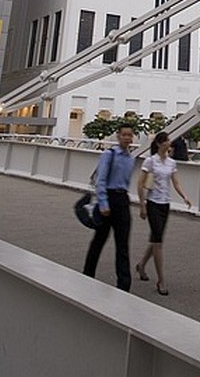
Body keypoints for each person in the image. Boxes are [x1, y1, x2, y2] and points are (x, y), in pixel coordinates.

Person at [136, 131, 191, 295]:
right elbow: (140, 184)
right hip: (153, 203)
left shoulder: (171, 163)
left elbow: (176, 182)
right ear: (160, 144)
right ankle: (161, 280)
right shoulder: (150, 162)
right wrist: (142, 205)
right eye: (166, 140)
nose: (169, 142)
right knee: (158, 241)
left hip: (165, 204)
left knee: (155, 238)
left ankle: (141, 265)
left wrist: (184, 197)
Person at [83, 124, 135, 292]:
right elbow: (101, 180)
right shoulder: (109, 155)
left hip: (122, 199)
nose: (127, 138)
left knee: (123, 244)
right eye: (124, 135)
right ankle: (87, 275)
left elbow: (125, 182)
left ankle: (124, 284)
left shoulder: (131, 158)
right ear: (118, 136)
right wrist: (103, 203)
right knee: (99, 240)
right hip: (109, 199)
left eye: (130, 135)